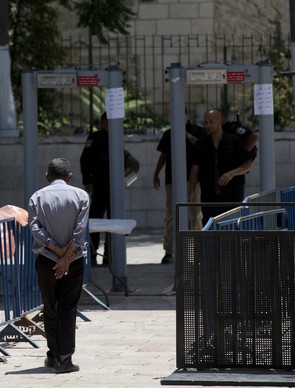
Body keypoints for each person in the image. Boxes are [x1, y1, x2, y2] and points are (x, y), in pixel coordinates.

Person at [28, 158, 89, 374]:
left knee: (50, 306)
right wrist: (66, 257)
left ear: (47, 176)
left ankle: (53, 354)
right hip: (73, 259)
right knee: (68, 308)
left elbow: (34, 228)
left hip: (46, 260)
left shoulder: (37, 197)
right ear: (70, 176)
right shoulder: (81, 195)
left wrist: (55, 249)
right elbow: (79, 230)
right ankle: (64, 358)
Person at [80, 112, 139, 266]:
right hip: (100, 185)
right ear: (104, 122)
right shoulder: (96, 137)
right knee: (95, 220)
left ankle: (109, 255)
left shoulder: (117, 137)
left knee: (114, 222)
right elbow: (85, 160)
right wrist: (88, 181)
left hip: (115, 186)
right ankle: (92, 255)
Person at [153, 108, 207, 264]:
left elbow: (203, 147)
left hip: (193, 179)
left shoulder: (197, 131)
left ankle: (198, 248)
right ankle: (169, 250)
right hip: (172, 179)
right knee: (171, 214)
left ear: (187, 116)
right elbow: (163, 155)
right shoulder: (169, 134)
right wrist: (156, 173)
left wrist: (189, 136)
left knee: (195, 213)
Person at [189, 109, 251, 223]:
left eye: (211, 121)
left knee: (231, 230)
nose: (209, 125)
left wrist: (232, 173)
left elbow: (247, 165)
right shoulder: (201, 144)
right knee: (210, 229)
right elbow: (195, 168)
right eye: (206, 122)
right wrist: (191, 191)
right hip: (209, 197)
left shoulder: (234, 141)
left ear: (220, 121)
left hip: (232, 196)